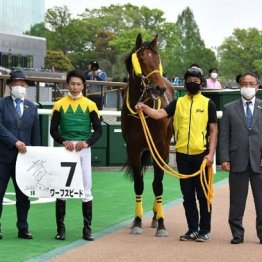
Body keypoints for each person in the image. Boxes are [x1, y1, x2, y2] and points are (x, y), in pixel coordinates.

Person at [136, 66, 218, 242]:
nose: (192, 83)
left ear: (201, 83)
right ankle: (192, 229)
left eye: (196, 81)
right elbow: (159, 114)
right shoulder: (178, 102)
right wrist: (144, 108)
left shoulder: (208, 103)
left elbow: (213, 130)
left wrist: (211, 154)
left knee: (203, 195)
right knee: (187, 195)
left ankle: (205, 230)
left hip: (201, 156)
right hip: (182, 155)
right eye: (189, 80)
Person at [50, 70, 102, 241]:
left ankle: (87, 229)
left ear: (83, 86)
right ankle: (60, 229)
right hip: (65, 151)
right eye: (72, 83)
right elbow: (53, 129)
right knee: (62, 190)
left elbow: (99, 130)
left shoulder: (90, 104)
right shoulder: (59, 104)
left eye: (78, 84)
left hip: (83, 151)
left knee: (86, 188)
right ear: (68, 84)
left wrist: (87, 143)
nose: (75, 86)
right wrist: (63, 140)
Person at [220, 72, 262, 244]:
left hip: (259, 161)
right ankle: (237, 233)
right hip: (237, 160)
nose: (248, 87)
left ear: (257, 86)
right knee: (237, 201)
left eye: (251, 84)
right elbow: (224, 136)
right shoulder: (229, 108)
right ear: (239, 86)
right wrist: (224, 158)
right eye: (244, 84)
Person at [0, 69, 40, 239]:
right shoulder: (1, 103)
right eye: (16, 83)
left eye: (22, 84)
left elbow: (35, 133)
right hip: (3, 157)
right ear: (9, 85)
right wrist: (14, 142)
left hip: (24, 160)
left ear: (27, 87)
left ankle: (23, 227)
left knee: (23, 195)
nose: (19, 86)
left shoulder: (31, 107)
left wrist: (36, 155)